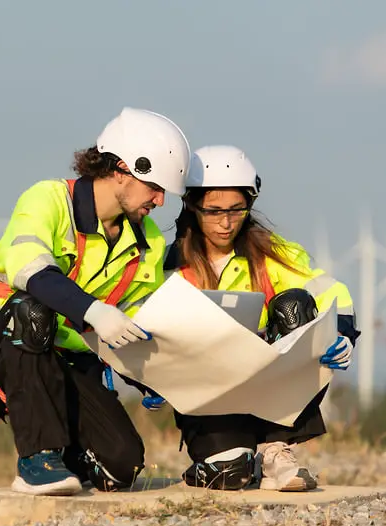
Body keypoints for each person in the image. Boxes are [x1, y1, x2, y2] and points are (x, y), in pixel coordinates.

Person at [0, 107, 192, 496]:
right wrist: (93, 311)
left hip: (68, 362)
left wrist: (153, 373)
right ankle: (37, 460)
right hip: (2, 344)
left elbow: (138, 320)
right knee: (34, 309)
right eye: (155, 188)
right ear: (122, 170)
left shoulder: (149, 242)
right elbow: (30, 269)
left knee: (121, 466)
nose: (160, 201)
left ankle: (63, 455)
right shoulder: (47, 200)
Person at [155, 144, 361, 492]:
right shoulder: (167, 265)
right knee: (230, 476)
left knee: (295, 304)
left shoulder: (272, 253)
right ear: (192, 206)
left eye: (237, 210)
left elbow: (331, 292)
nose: (225, 222)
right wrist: (150, 380)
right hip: (205, 393)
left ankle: (276, 448)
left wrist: (342, 334)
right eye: (214, 211)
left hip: (264, 385)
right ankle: (228, 461)